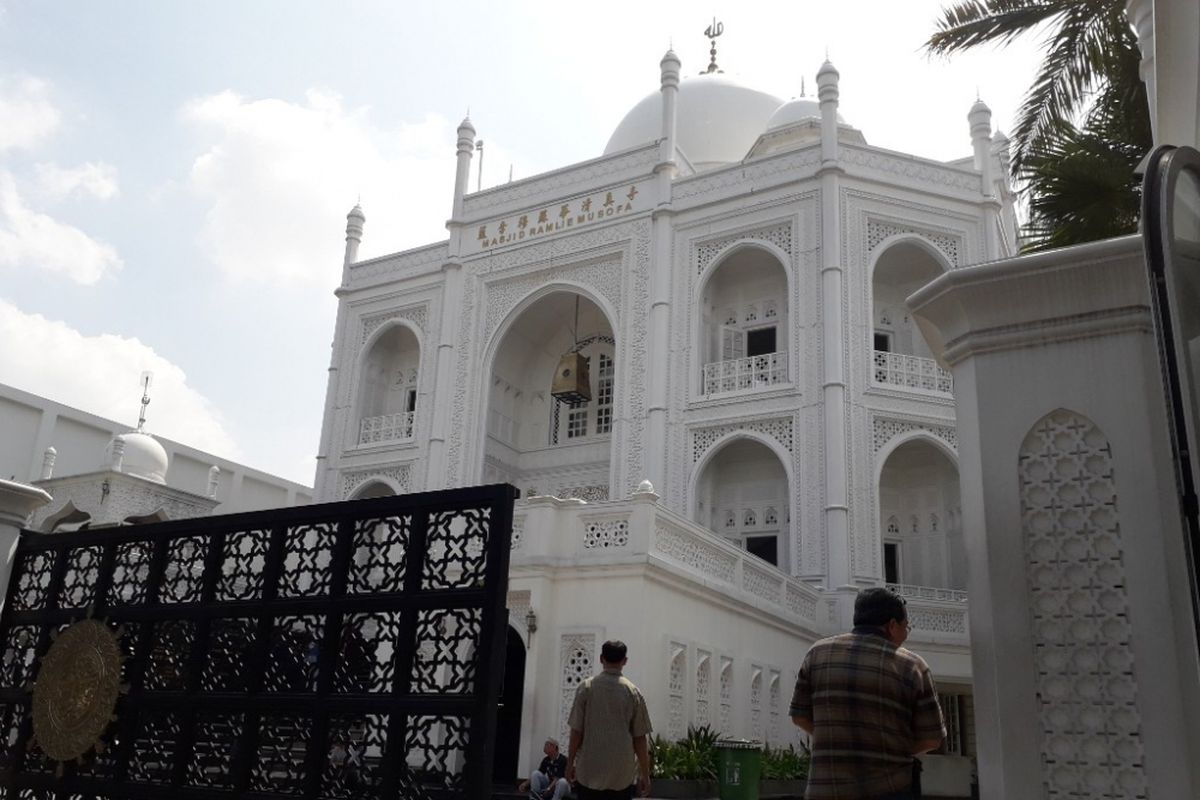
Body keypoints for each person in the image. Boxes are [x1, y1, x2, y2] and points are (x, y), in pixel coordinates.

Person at [790, 587, 946, 800]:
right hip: (888, 788)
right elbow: (932, 739)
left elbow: (799, 716)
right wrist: (891, 748)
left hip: (826, 789)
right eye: (906, 627)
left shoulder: (817, 653)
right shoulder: (912, 666)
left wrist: (837, 739)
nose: (906, 634)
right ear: (891, 625)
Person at [566, 640, 653, 799]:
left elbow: (576, 731)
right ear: (625, 661)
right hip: (621, 776)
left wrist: (570, 762)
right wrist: (645, 774)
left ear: (601, 658)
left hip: (589, 772)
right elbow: (640, 738)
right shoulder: (633, 693)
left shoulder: (586, 688)